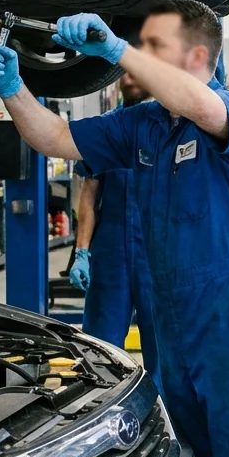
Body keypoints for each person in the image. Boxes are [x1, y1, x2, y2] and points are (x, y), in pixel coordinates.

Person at [0, 1, 229, 457]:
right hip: (173, 325)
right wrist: (13, 88)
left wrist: (114, 47)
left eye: (154, 46)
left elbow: (199, 103)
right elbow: (57, 137)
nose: (139, 56)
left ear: (197, 57)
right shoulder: (145, 124)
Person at [70, 72, 161, 391]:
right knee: (101, 348)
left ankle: (164, 413)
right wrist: (82, 252)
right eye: (125, 71)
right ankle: (102, 408)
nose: (130, 78)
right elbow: (89, 193)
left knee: (166, 349)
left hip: (157, 254)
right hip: (110, 253)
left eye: (138, 71)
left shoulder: (165, 128)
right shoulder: (107, 129)